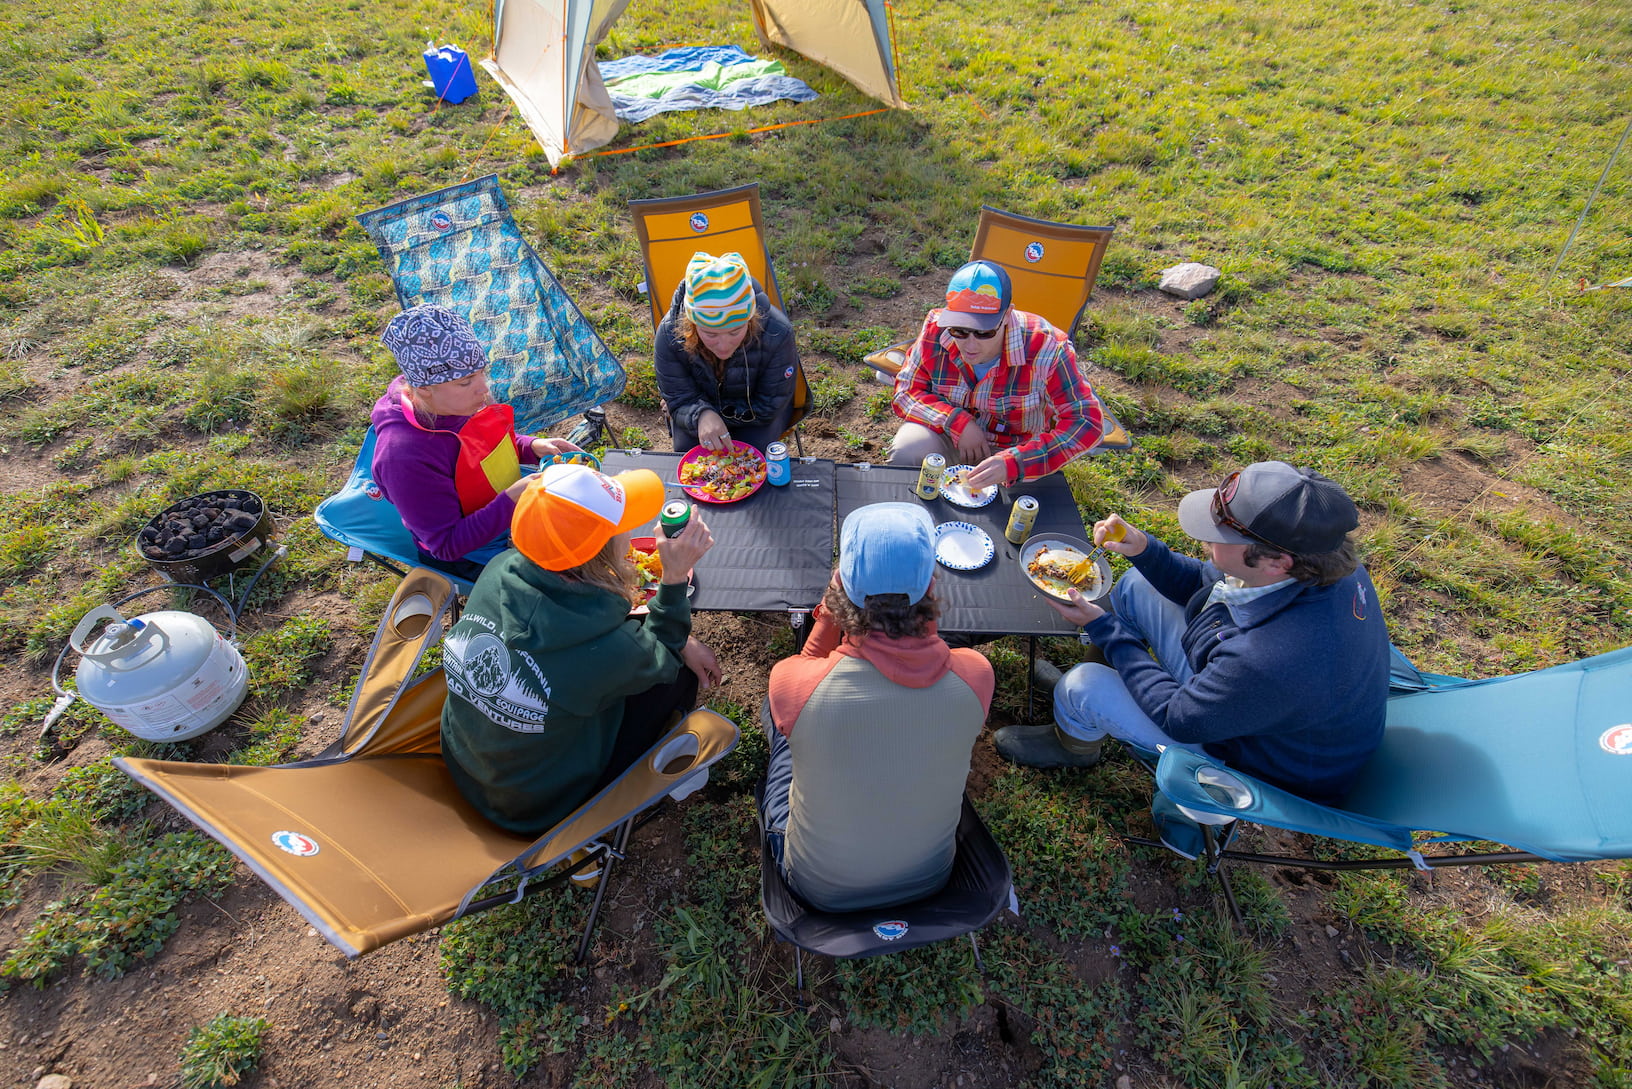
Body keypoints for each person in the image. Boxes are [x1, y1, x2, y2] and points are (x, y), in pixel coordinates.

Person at [993, 462, 1391, 853]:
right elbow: (1211, 583)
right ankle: (1090, 702)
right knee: (1136, 585)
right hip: (1251, 703)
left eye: (1219, 535)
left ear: (1275, 561)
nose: (1204, 538)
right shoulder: (1317, 560)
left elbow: (1178, 716)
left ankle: (1074, 743)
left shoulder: (1273, 657)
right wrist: (1147, 551)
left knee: (1083, 686)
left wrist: (1105, 628)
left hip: (1255, 759)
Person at [439, 462, 722, 837]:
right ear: (605, 555)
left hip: (468, 764)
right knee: (677, 676)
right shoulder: (610, 650)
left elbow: (577, 631)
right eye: (621, 528)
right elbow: (661, 657)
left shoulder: (499, 568)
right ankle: (662, 775)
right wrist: (672, 581)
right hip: (538, 804)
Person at [759, 503, 994, 912]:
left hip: (819, 889)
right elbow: (925, 653)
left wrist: (832, 609)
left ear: (841, 591)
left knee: (781, 725)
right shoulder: (976, 676)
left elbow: (809, 661)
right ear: (931, 587)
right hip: (932, 879)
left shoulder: (794, 684)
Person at [370, 304, 583, 581]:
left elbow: (484, 445)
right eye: (466, 381)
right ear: (424, 388)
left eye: (482, 372)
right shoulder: (404, 457)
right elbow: (446, 545)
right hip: (470, 555)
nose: (484, 388)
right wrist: (512, 500)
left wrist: (530, 447)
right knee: (578, 578)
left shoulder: (457, 404)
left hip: (505, 507)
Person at [888, 260, 1106, 491]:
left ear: (1007, 315)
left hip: (1013, 451)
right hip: (947, 436)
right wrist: (955, 422)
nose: (970, 345)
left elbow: (1087, 423)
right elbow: (906, 390)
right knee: (907, 449)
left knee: (1013, 515)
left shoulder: (1047, 347)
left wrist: (1015, 463)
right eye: (959, 331)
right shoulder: (936, 327)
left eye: (984, 332)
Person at [654, 251, 799, 453]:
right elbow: (678, 395)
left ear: (750, 320)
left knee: (753, 454)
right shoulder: (670, 334)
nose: (724, 345)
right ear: (692, 325)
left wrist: (716, 417)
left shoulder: (777, 333)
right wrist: (701, 415)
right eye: (710, 334)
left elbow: (771, 403)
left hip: (757, 416)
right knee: (687, 454)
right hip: (696, 409)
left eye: (735, 331)